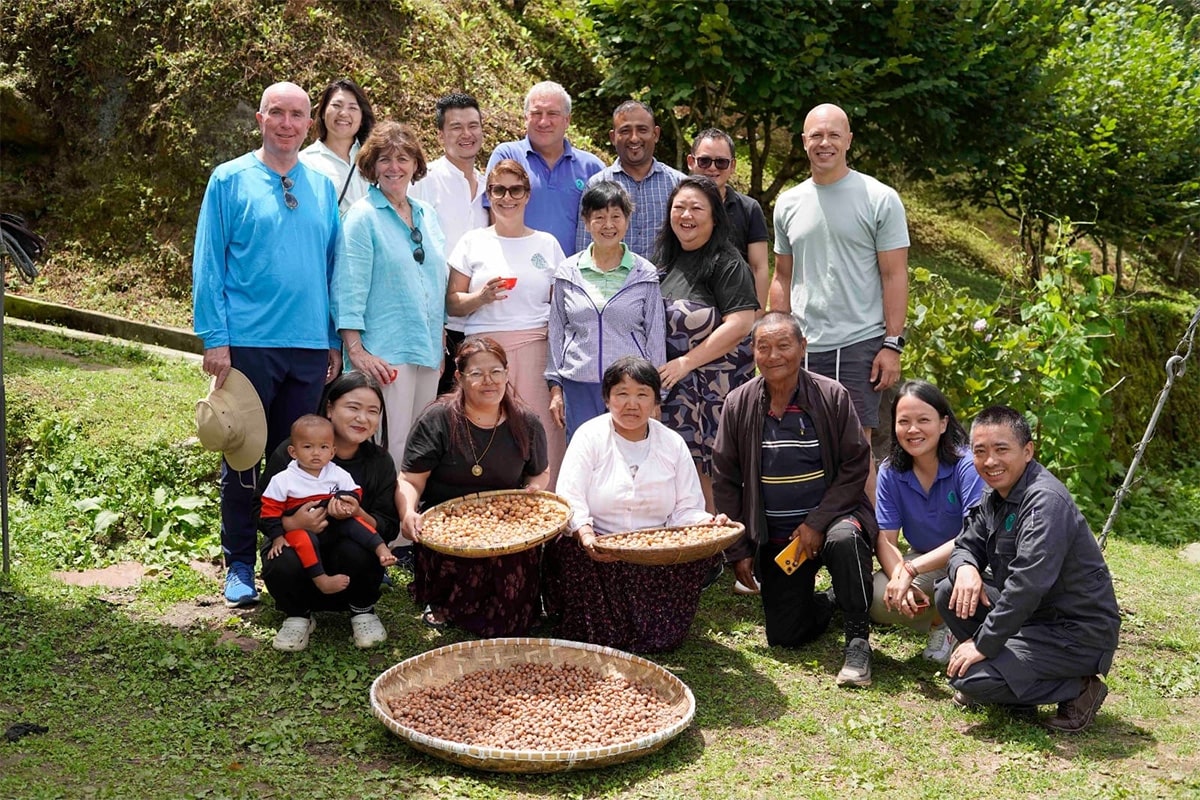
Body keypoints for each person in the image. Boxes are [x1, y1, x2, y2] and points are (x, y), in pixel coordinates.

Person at [192, 81, 342, 608]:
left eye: (296, 115)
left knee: (294, 458)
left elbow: (331, 268)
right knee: (244, 458)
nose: (286, 123)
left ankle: (286, 553)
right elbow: (208, 261)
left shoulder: (322, 187)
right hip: (249, 344)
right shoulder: (229, 179)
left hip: (307, 347)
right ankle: (238, 562)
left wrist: (331, 339)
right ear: (260, 118)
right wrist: (216, 338)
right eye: (276, 113)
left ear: (309, 124)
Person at [712, 312, 878, 687]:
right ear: (753, 352)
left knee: (845, 539)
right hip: (777, 538)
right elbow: (725, 478)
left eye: (784, 345)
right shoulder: (739, 403)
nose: (774, 356)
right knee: (785, 635)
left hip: (831, 519)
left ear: (802, 348)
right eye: (763, 347)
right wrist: (738, 549)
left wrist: (817, 523)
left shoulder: (830, 395)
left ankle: (857, 639)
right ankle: (834, 599)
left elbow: (855, 465)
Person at [938, 406, 1120, 732]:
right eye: (980, 452)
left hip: (1073, 631)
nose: (990, 461)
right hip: (1031, 618)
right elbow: (965, 545)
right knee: (949, 591)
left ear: (1028, 450)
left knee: (969, 679)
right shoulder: (994, 494)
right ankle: (1008, 675)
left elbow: (1027, 584)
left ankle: (1079, 687)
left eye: (1001, 450)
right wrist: (965, 566)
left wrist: (982, 644)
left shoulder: (1045, 501)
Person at [769, 103, 910, 487]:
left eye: (833, 135)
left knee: (857, 447)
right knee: (801, 442)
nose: (824, 143)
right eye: (816, 135)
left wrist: (892, 344)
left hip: (860, 343)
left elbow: (894, 274)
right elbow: (782, 275)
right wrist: (773, 338)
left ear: (848, 140)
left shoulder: (879, 198)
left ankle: (867, 541)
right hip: (803, 345)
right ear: (804, 142)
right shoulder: (789, 202)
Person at [544, 357, 723, 652]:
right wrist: (587, 535)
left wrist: (707, 524)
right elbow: (570, 497)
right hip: (600, 548)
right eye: (622, 394)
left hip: (653, 552)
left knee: (698, 557)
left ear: (655, 401)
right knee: (567, 550)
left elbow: (685, 508)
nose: (632, 404)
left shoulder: (672, 443)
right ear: (607, 398)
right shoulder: (589, 436)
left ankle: (654, 621)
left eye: (642, 394)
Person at [398, 338, 550, 635]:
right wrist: (408, 512)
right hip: (446, 521)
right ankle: (445, 603)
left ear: (507, 373)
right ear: (459, 377)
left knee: (510, 568)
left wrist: (532, 490)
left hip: (506, 522)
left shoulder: (526, 422)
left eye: (496, 372)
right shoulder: (438, 419)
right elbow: (410, 479)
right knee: (464, 553)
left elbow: (539, 473)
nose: (488, 381)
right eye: (477, 374)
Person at [331, 121, 447, 483]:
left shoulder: (427, 215)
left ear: (416, 164)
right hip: (384, 351)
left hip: (426, 348)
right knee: (391, 444)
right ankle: (388, 535)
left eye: (403, 158)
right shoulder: (362, 218)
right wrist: (358, 351)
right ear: (371, 166)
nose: (394, 167)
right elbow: (347, 288)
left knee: (421, 443)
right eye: (384, 159)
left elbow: (436, 282)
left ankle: (410, 526)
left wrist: (440, 340)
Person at [446, 159, 566, 488]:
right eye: (498, 190)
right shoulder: (472, 242)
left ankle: (546, 510)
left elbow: (560, 310)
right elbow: (452, 304)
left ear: (527, 195)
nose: (507, 197)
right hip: (484, 351)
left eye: (515, 189)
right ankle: (486, 507)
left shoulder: (547, 244)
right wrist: (481, 297)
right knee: (485, 428)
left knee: (540, 430)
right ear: (488, 195)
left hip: (535, 349)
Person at [259, 372, 400, 651]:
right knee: (283, 555)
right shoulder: (292, 453)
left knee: (360, 544)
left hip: (350, 573)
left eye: (372, 411)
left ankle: (362, 610)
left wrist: (357, 511)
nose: (362, 418)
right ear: (330, 407)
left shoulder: (380, 462)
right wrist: (292, 522)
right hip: (301, 563)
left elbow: (389, 525)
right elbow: (260, 508)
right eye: (353, 407)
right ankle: (298, 614)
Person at [654, 176, 757, 511]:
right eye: (679, 207)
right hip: (674, 385)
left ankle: (717, 545)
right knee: (679, 467)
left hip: (714, 388)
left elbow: (742, 324)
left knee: (710, 470)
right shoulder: (665, 260)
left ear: (715, 217)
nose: (687, 215)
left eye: (697, 208)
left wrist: (688, 362)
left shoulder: (728, 262)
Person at [870, 380, 985, 664]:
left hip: (973, 559)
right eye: (904, 421)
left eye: (924, 420)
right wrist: (900, 578)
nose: (913, 430)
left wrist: (911, 569)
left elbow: (971, 535)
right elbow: (886, 539)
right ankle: (948, 618)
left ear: (943, 423)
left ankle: (949, 625)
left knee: (969, 581)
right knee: (877, 598)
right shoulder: (890, 471)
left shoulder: (966, 465)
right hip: (926, 561)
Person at [547, 181, 666, 438]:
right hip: (579, 384)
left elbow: (655, 337)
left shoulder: (644, 273)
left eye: (616, 216)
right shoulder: (567, 272)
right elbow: (556, 332)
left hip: (630, 386)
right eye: (599, 217)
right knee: (584, 457)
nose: (608, 225)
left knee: (629, 456)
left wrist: (656, 394)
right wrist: (555, 386)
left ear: (627, 219)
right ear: (587, 222)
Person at [260, 415, 396, 596]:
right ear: (293, 452)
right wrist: (277, 536)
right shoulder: (283, 479)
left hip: (334, 523)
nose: (316, 453)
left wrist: (345, 502)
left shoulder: (336, 472)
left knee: (355, 523)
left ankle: (381, 548)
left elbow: (354, 491)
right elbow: (269, 511)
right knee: (303, 540)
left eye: (323, 447)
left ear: (332, 452)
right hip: (300, 529)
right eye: (308, 447)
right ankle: (321, 579)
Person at [409, 93, 490, 396]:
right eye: (456, 127)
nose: (466, 134)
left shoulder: (489, 186)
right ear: (440, 134)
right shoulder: (424, 182)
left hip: (482, 321)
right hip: (437, 324)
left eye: (473, 125)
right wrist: (434, 321)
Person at [485, 81, 603, 256]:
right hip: (519, 270)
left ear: (567, 120)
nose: (543, 121)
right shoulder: (507, 156)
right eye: (536, 113)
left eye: (553, 113)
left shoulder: (592, 167)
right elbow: (495, 212)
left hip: (575, 275)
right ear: (526, 117)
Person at [574, 101, 684, 258]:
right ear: (613, 137)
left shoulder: (677, 184)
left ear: (656, 134)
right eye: (625, 131)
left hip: (666, 281)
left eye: (642, 130)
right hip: (612, 281)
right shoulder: (597, 185)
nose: (634, 138)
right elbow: (584, 248)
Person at [687, 128, 769, 315]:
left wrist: (757, 319)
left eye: (721, 162)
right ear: (691, 162)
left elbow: (760, 266)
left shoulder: (749, 208)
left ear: (732, 166)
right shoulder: (678, 207)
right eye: (705, 160)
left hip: (738, 309)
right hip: (689, 311)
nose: (712, 168)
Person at [299, 79, 375, 216]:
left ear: (362, 116)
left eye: (352, 107)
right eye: (336, 105)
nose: (343, 113)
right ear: (323, 112)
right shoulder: (305, 162)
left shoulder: (375, 157)